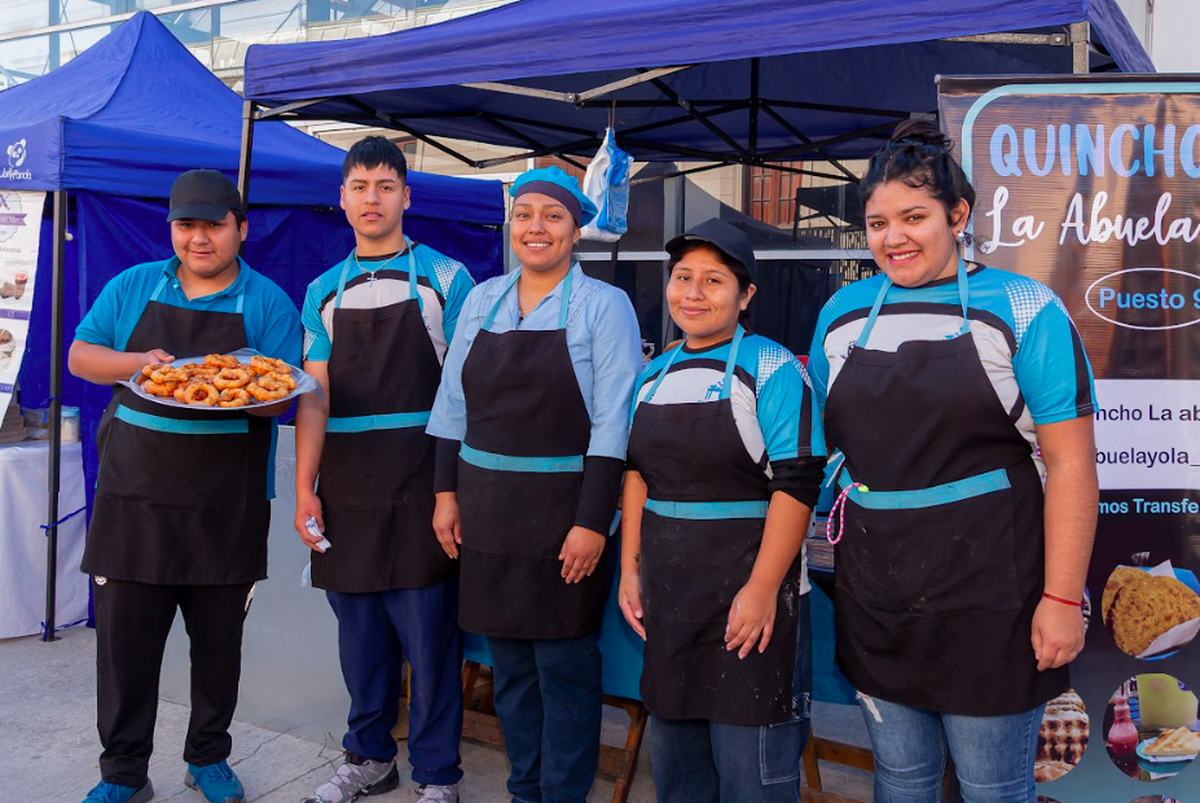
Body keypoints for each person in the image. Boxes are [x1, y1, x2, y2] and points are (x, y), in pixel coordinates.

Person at [806, 121, 1098, 803]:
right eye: (877, 222)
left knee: (992, 788)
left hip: (993, 593)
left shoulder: (1025, 308)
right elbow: (824, 441)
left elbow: (1074, 466)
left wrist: (1059, 599)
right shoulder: (842, 313)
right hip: (877, 590)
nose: (893, 237)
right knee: (900, 780)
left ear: (958, 216)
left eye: (914, 217)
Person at [69, 169, 302, 803]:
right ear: (172, 228)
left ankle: (208, 758)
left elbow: (278, 399)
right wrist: (138, 364)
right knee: (125, 650)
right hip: (134, 498)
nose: (199, 238)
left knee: (219, 647)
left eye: (213, 225)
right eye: (186, 225)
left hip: (225, 505)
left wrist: (246, 391)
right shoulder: (135, 285)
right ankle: (122, 772)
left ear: (240, 229)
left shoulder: (267, 302)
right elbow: (81, 356)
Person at [427, 166, 642, 803]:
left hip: (563, 516)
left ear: (576, 229)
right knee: (511, 669)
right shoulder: (481, 299)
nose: (535, 228)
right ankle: (525, 790)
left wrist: (590, 522)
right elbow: (451, 406)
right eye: (524, 215)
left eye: (552, 216)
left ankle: (565, 794)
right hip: (487, 512)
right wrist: (445, 494)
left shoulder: (605, 306)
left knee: (565, 670)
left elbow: (614, 423)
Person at [618, 219, 825, 803]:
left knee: (753, 779)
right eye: (683, 278)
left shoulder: (774, 369)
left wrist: (762, 589)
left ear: (746, 294)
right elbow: (636, 475)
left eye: (713, 280)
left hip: (753, 604)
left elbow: (798, 482)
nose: (693, 293)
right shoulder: (650, 376)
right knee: (679, 776)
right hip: (670, 599)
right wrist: (630, 570)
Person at [294, 136, 472, 803]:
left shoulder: (448, 278)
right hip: (346, 486)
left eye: (385, 185)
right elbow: (313, 397)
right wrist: (304, 489)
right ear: (342, 197)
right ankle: (369, 756)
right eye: (360, 185)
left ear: (406, 195)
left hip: (425, 479)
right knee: (360, 638)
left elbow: (462, 397)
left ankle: (437, 773)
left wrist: (450, 490)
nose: (372, 198)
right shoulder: (321, 290)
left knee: (429, 641)